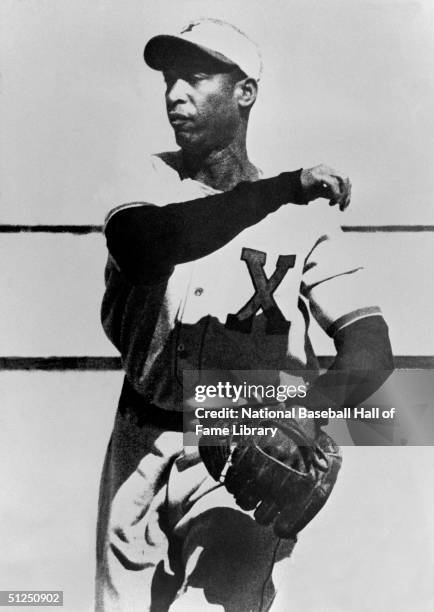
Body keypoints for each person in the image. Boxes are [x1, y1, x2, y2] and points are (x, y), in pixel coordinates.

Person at [96, 18, 393, 611]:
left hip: (237, 441)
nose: (174, 94)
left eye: (195, 77)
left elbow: (371, 350)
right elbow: (152, 244)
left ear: (244, 92)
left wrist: (302, 418)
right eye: (169, 79)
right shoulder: (143, 182)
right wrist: (284, 187)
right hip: (136, 442)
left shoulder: (307, 216)